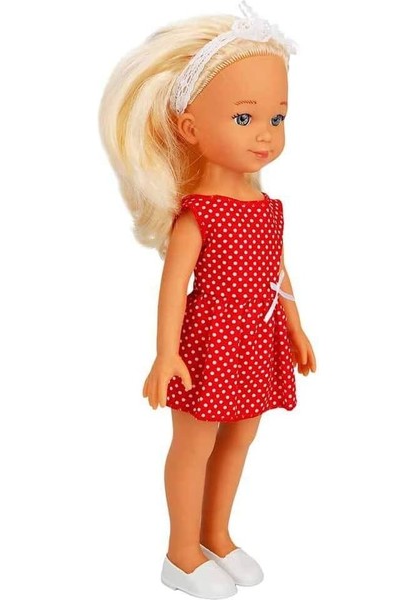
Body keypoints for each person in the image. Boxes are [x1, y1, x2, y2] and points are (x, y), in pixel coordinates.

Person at [98, 2, 316, 597]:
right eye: (245, 117)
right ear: (189, 127)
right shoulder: (197, 215)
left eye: (278, 117)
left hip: (259, 338)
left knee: (241, 436)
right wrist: (165, 354)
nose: (266, 133)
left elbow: (277, 271)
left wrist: (295, 325)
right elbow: (173, 289)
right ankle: (180, 552)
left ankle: (216, 534)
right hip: (211, 339)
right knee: (195, 442)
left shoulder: (267, 208)